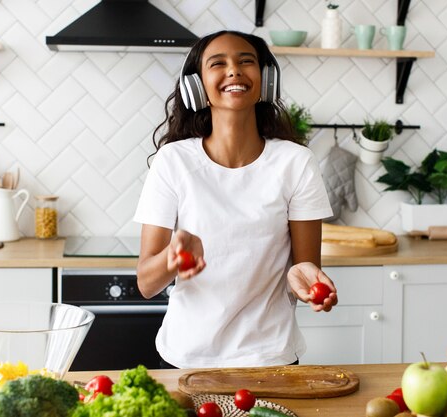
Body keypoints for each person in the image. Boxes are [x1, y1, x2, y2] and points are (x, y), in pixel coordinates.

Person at [133, 30, 338, 369]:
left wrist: (305, 280)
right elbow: (146, 283)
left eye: (247, 62)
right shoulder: (173, 162)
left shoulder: (296, 162)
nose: (234, 70)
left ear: (266, 79)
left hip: (271, 357)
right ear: (197, 86)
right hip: (188, 357)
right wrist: (173, 255)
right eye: (218, 63)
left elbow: (305, 266)